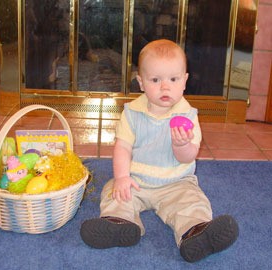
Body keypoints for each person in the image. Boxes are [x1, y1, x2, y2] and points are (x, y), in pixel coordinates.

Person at [80, 39, 239, 263]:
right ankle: (119, 223)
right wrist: (122, 177)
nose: (165, 87)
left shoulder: (188, 116)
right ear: (141, 82)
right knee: (114, 193)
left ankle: (196, 232)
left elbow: (188, 156)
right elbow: (122, 147)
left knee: (191, 201)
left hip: (176, 181)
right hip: (136, 180)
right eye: (155, 80)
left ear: (184, 81)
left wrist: (182, 145)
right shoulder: (132, 113)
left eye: (173, 79)